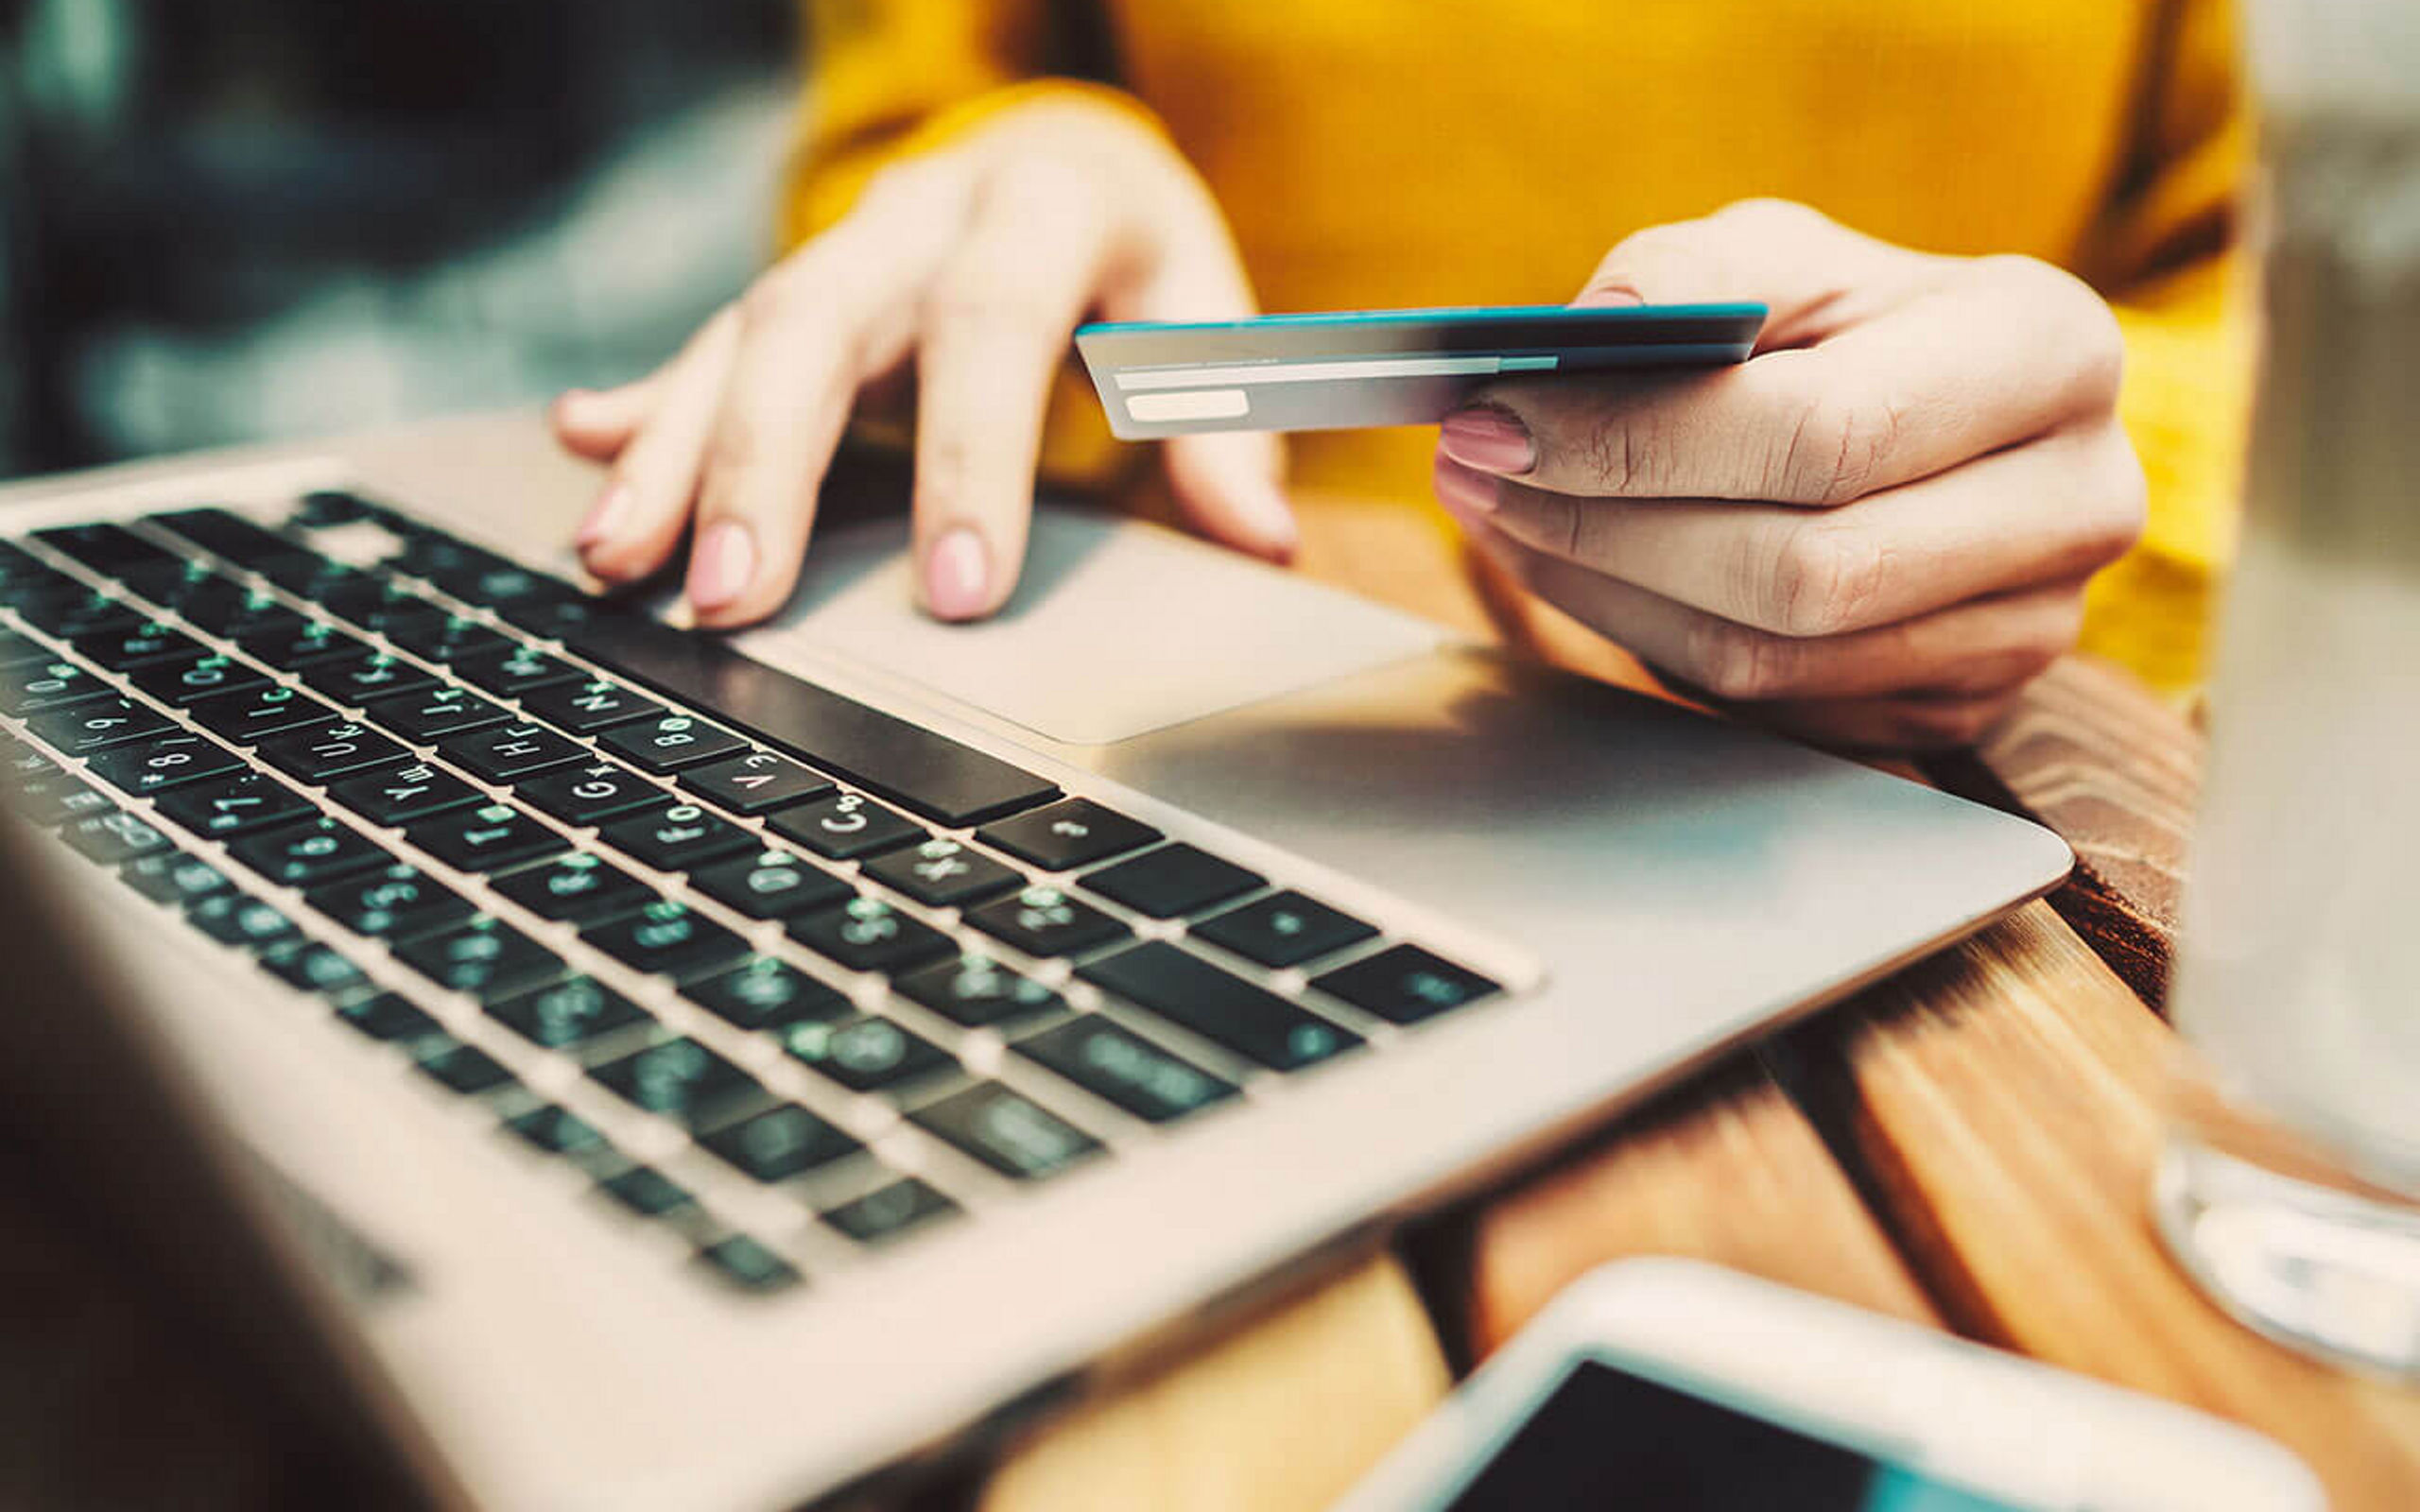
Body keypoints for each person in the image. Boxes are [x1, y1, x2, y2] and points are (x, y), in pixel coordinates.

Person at [551, 0, 2249, 750]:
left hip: (1951, 771)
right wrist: (1020, 165)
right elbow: (889, 160)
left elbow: (2308, 332)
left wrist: (2060, 483)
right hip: (1139, 690)